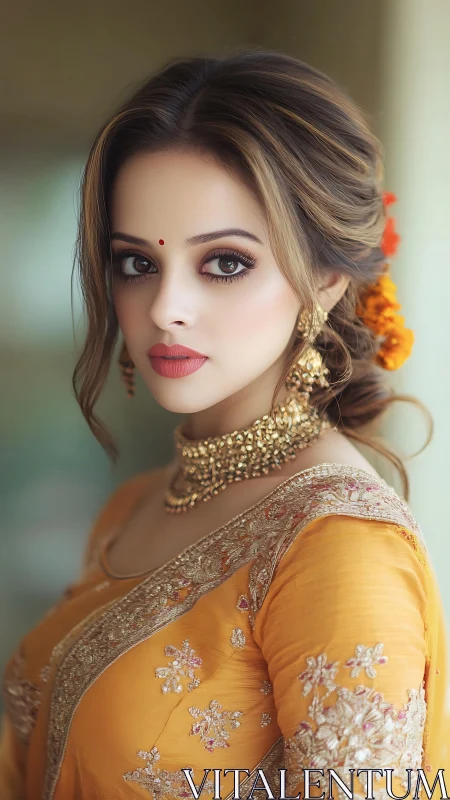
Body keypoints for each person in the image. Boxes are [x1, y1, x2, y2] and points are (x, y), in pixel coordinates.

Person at [1, 48, 448, 800]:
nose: (165, 307)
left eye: (226, 264)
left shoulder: (338, 550)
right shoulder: (134, 507)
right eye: (137, 263)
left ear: (327, 279)